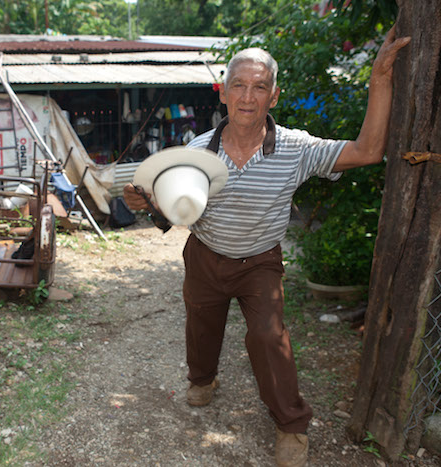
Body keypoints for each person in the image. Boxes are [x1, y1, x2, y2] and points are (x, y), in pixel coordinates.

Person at [123, 26, 411, 467]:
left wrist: (380, 80)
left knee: (268, 336)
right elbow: (175, 214)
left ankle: (291, 424)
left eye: (259, 87)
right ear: (222, 93)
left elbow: (368, 150)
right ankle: (203, 379)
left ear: (273, 97)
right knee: (201, 328)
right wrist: (147, 203)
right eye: (238, 85)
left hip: (260, 262)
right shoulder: (199, 152)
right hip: (205, 256)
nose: (247, 96)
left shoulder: (296, 148)